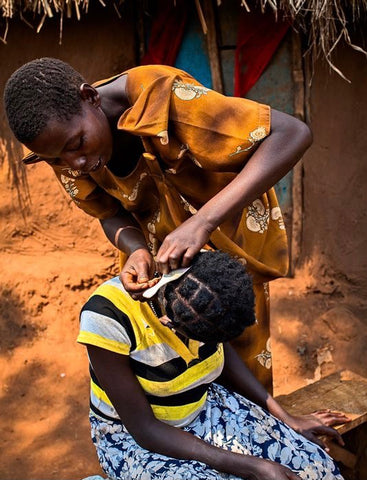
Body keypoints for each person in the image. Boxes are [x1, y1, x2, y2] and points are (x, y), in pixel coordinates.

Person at [4, 57, 313, 390]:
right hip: (162, 267)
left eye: (77, 145)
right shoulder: (59, 142)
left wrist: (203, 222)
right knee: (175, 372)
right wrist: (135, 248)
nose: (75, 163)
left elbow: (292, 133)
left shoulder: (164, 97)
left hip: (228, 245)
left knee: (240, 356)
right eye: (55, 160)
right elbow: (108, 213)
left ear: (90, 97)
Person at [77, 250, 344, 480]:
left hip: (206, 408)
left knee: (312, 467)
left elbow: (223, 352)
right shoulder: (107, 317)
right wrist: (253, 466)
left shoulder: (202, 277)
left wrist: (287, 419)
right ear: (171, 323)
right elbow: (144, 429)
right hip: (135, 438)